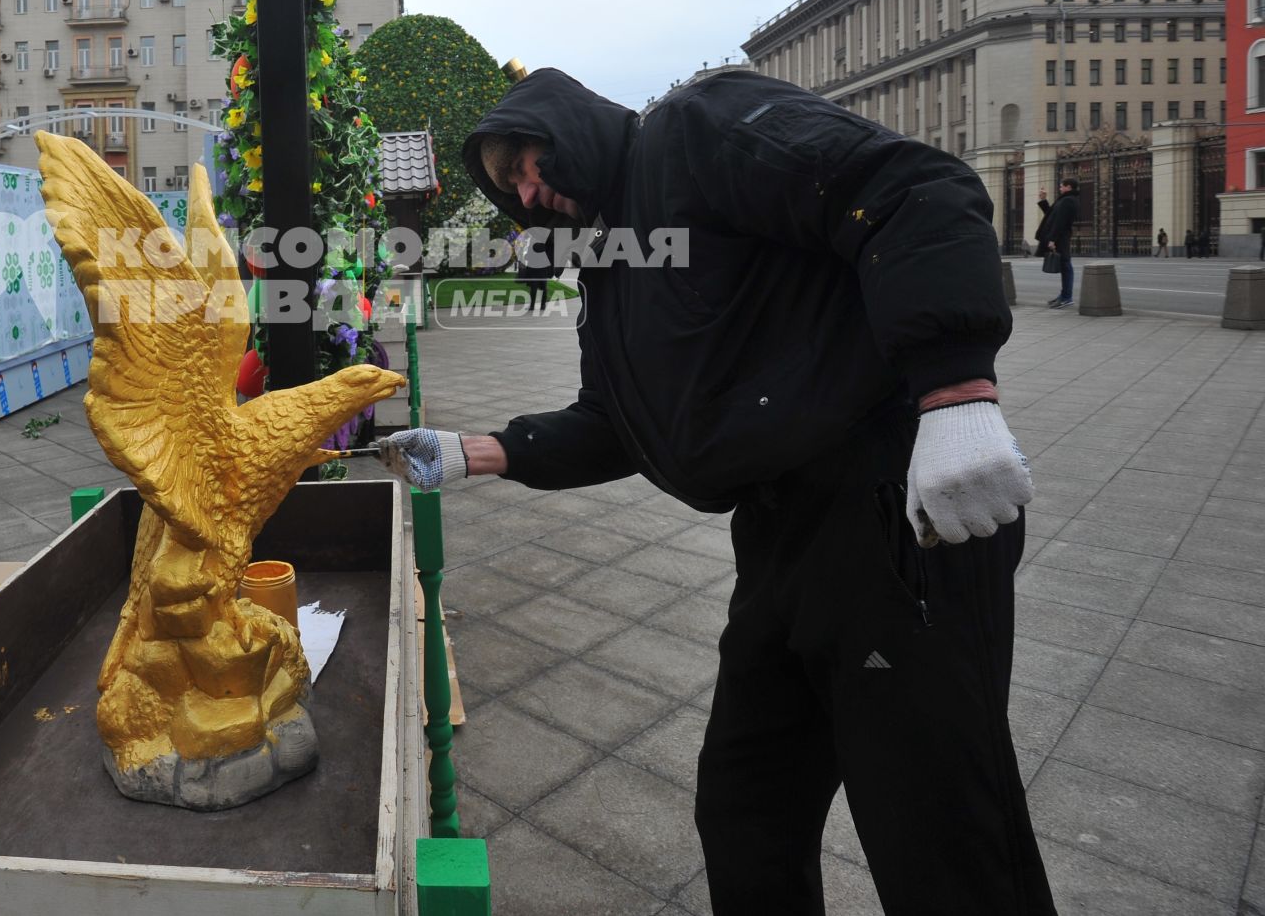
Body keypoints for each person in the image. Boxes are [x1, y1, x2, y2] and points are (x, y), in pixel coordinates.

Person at [378, 68, 1054, 915]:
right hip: (779, 538)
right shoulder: (611, 264)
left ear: (571, 126)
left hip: (897, 512)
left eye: (529, 158)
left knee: (943, 842)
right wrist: (477, 450)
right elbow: (619, 420)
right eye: (510, 180)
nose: (529, 187)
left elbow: (909, 185)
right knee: (745, 807)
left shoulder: (693, 132)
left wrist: (956, 388)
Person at [1038, 181, 1080, 309]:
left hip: (1061, 238)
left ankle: (1067, 298)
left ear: (1068, 187)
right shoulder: (1065, 199)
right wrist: (1044, 200)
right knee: (1065, 266)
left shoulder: (1068, 200)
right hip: (1061, 237)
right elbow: (1052, 215)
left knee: (1066, 267)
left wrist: (1052, 239)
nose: (1060, 187)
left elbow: (1060, 222)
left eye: (1062, 185)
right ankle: (1064, 296)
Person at [514, 226, 554, 314]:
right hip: (543, 268)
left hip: (534, 268)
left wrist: (526, 257)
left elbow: (529, 255)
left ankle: (532, 306)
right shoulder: (546, 242)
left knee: (534, 287)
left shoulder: (533, 242)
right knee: (543, 287)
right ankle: (543, 305)